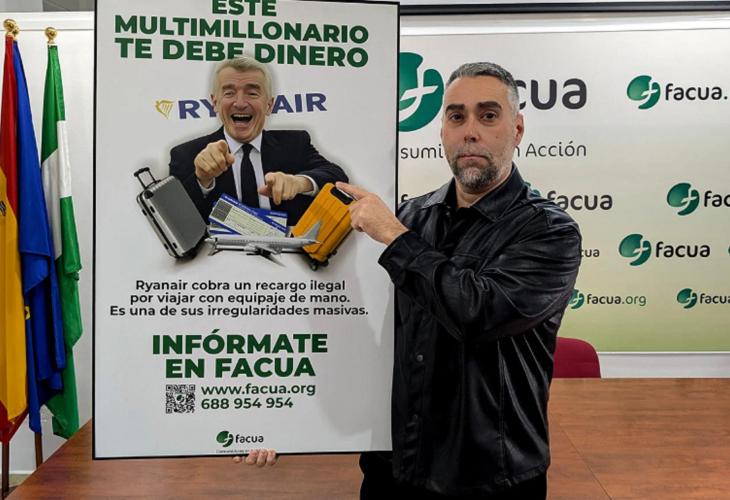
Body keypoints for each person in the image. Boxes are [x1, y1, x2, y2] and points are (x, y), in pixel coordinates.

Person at [335, 62, 582, 498]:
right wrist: (282, 419)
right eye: (456, 116)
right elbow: (364, 335)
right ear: (442, 132)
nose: (470, 131)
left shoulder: (549, 232)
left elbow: (476, 312)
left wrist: (395, 237)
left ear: (517, 129)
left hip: (489, 477)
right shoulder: (411, 216)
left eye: (488, 115)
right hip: (395, 469)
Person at [169, 56, 348, 226]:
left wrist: (299, 183)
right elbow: (175, 217)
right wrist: (202, 179)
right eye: (229, 93)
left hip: (286, 248)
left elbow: (337, 178)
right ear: (215, 103)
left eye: (252, 93)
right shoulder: (185, 154)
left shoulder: (295, 143)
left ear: (269, 105)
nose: (240, 103)